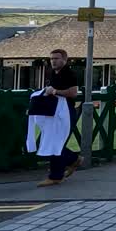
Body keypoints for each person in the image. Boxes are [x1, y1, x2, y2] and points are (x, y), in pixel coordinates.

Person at [39, 48, 80, 186]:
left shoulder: (69, 73)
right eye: (51, 59)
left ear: (64, 59)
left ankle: (56, 175)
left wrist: (55, 91)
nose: (53, 61)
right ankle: (72, 160)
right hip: (54, 110)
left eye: (56, 58)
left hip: (66, 111)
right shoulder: (52, 73)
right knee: (52, 141)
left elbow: (73, 93)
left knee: (55, 142)